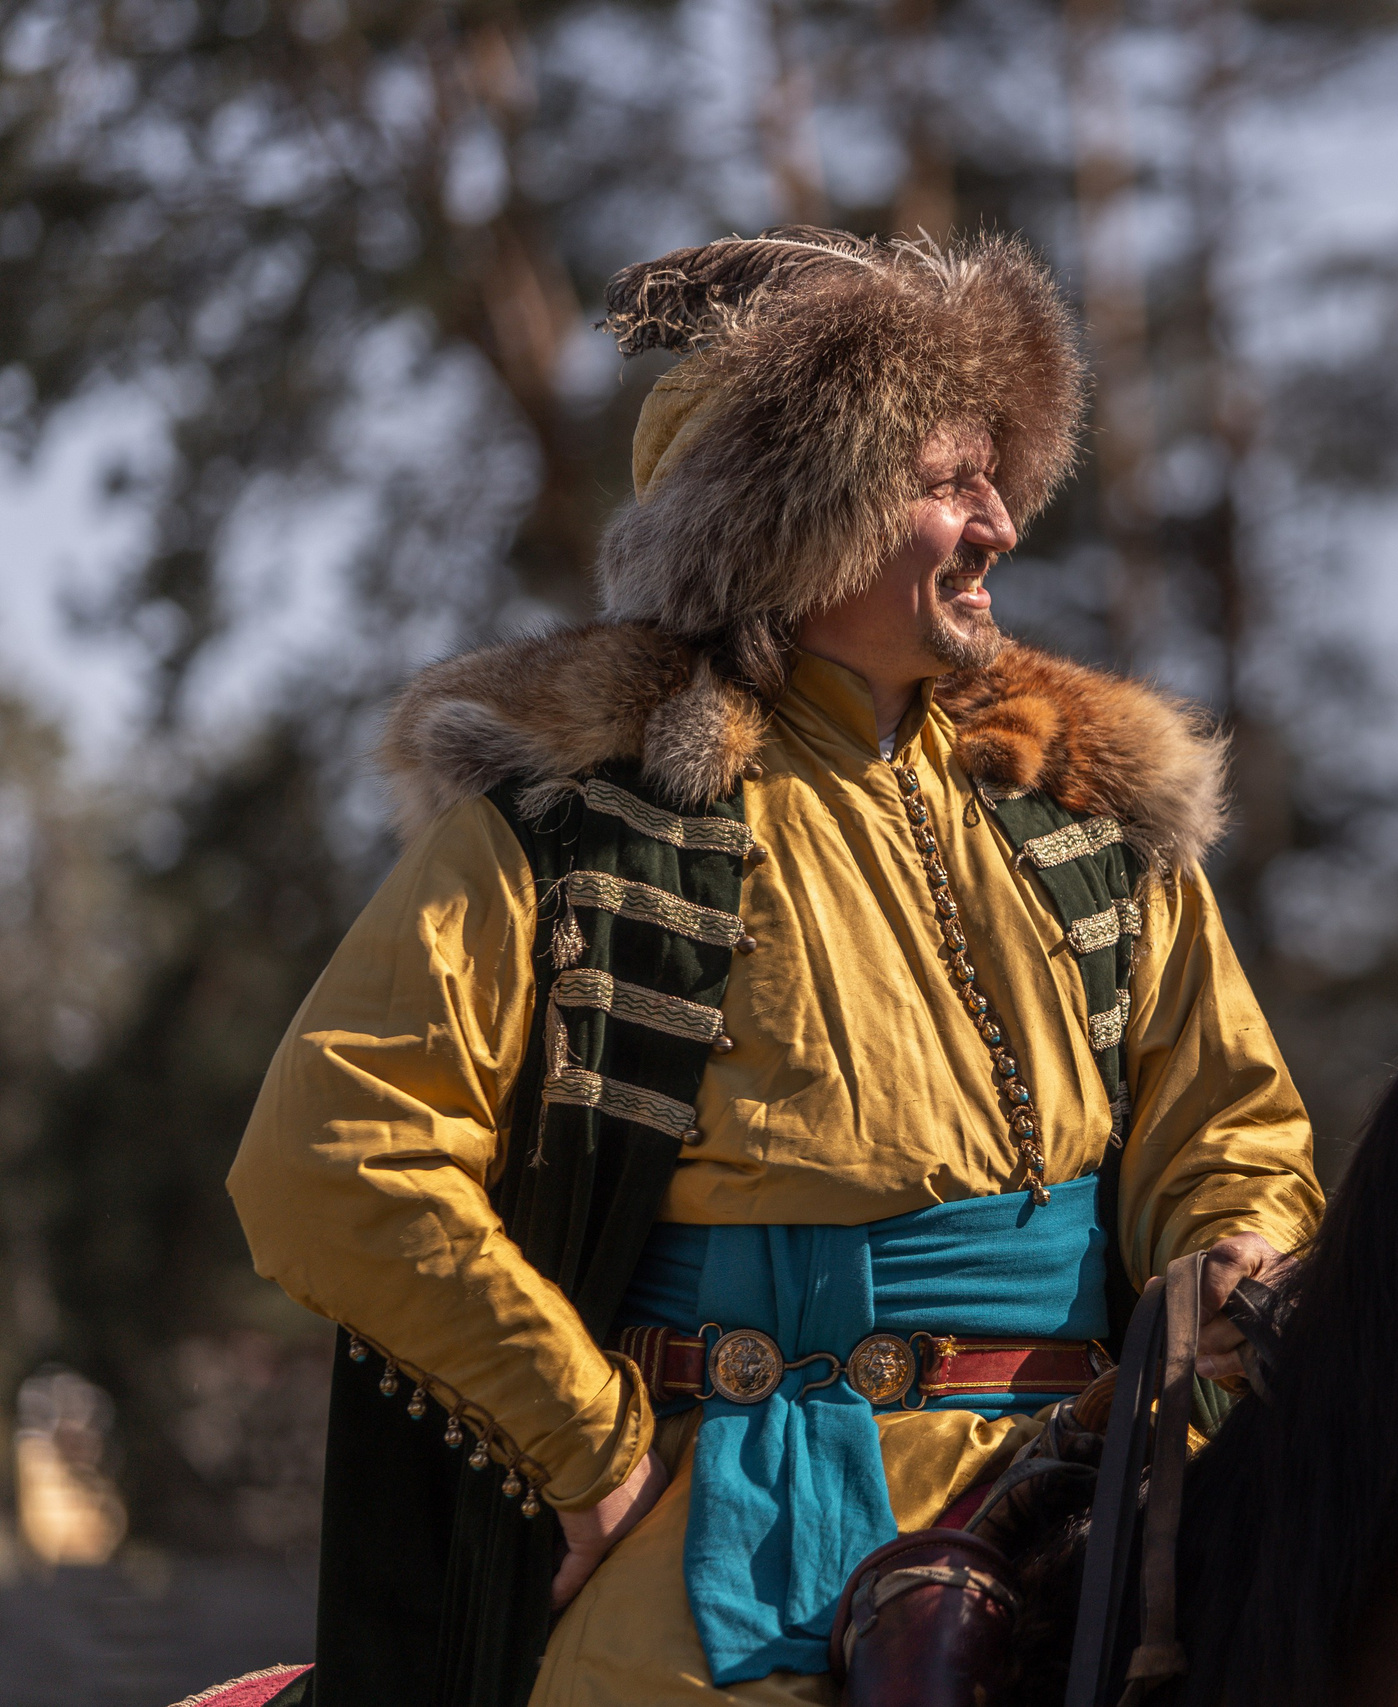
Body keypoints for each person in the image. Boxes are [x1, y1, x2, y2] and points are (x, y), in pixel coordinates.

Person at [227, 229, 1321, 1707]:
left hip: (1108, 1526)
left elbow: (1229, 1129)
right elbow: (329, 1161)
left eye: (998, 475)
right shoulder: (576, 838)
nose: (999, 522)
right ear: (790, 522)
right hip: (733, 1552)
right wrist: (590, 1450)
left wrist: (1234, 1246)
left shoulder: (1089, 824)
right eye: (947, 482)